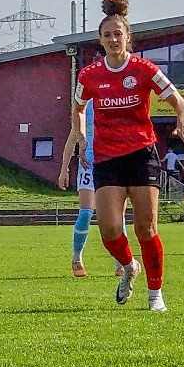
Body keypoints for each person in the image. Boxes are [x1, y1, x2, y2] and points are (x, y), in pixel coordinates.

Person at [59, 0, 184, 312]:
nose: (112, 39)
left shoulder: (144, 69)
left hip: (141, 153)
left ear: (127, 37)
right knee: (109, 228)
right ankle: (128, 265)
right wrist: (80, 132)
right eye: (107, 35)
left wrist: (182, 120)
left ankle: (155, 295)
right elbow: (77, 106)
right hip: (107, 157)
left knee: (145, 228)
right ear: (100, 40)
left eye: (117, 34)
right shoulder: (89, 75)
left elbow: (178, 99)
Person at [60, 101, 127, 277]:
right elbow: (72, 137)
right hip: (88, 164)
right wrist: (64, 170)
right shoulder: (85, 104)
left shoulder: (116, 101)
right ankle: (77, 257)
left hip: (113, 163)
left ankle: (121, 261)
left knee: (118, 216)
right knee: (86, 212)